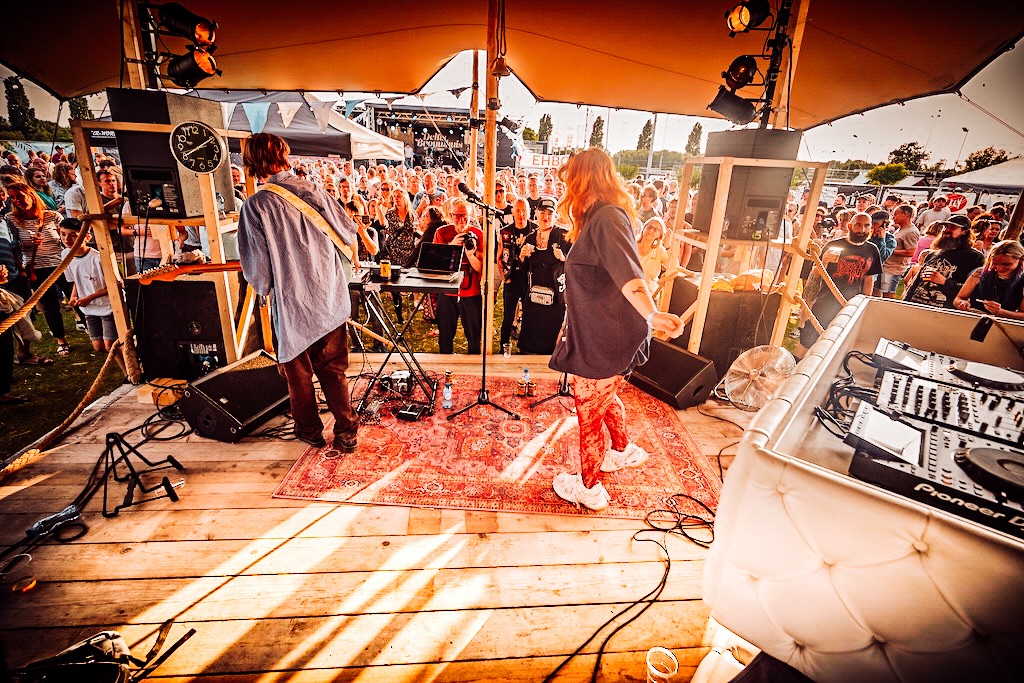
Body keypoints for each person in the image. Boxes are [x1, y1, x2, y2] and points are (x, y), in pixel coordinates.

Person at [548, 149, 685, 511]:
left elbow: (630, 277)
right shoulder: (601, 217)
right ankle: (623, 451)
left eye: (568, 179)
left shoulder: (608, 218)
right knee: (604, 400)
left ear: (583, 179)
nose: (565, 188)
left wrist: (653, 316)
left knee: (588, 412)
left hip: (607, 338)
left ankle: (589, 488)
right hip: (601, 332)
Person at [236, 132, 360, 453]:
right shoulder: (314, 189)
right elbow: (348, 232)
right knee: (333, 369)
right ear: (283, 154)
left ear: (252, 162)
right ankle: (346, 431)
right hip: (329, 294)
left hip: (293, 302)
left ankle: (310, 431)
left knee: (298, 375)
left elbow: (260, 272)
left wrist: (264, 288)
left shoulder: (255, 206)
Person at [3, 175, 72, 356]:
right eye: (13, 198)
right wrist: (25, 245)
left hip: (61, 265)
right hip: (37, 268)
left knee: (76, 299)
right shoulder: (11, 219)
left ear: (31, 195)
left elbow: (66, 238)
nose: (17, 201)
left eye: (19, 196)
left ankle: (94, 332)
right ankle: (61, 341)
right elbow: (12, 246)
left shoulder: (52, 216)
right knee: (50, 306)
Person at [796, 212, 881, 357]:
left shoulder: (872, 250)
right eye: (858, 225)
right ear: (850, 226)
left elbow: (869, 280)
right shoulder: (833, 245)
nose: (862, 230)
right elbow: (815, 274)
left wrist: (864, 304)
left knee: (837, 345)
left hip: (851, 306)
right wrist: (824, 261)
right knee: (808, 340)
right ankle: (796, 365)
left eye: (866, 226)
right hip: (825, 302)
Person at [518, 196, 570, 354]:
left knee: (552, 340)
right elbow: (523, 270)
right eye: (542, 213)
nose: (546, 217)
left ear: (555, 216)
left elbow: (578, 264)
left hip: (555, 299)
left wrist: (564, 258)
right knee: (531, 339)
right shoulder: (530, 238)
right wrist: (522, 257)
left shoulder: (564, 237)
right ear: (536, 214)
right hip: (534, 298)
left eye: (549, 213)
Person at [58, 219, 118, 353]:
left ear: (87, 236)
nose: (67, 239)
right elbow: (76, 280)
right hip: (89, 308)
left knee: (111, 346)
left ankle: (127, 359)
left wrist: (89, 297)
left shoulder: (98, 258)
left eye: (73, 235)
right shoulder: (65, 254)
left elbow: (115, 285)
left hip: (108, 306)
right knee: (98, 347)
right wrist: (74, 296)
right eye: (63, 234)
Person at [432, 199, 484, 354]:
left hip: (471, 290)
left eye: (465, 216)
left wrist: (470, 254)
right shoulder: (442, 232)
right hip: (447, 290)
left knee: (474, 336)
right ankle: (445, 364)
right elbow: (436, 264)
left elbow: (480, 268)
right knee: (445, 335)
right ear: (450, 216)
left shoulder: (478, 234)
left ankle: (473, 366)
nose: (461, 220)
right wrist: (451, 246)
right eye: (457, 216)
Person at [904, 216, 984, 309]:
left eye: (952, 227)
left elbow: (973, 292)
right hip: (916, 307)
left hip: (943, 311)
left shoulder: (974, 257)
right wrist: (905, 303)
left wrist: (944, 281)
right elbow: (916, 283)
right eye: (945, 227)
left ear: (964, 231)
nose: (947, 230)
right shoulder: (932, 254)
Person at [498, 198, 535, 352]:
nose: (521, 214)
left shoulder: (535, 230)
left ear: (529, 212)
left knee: (529, 317)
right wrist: (504, 277)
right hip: (512, 278)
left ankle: (525, 348)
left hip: (529, 279)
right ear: (512, 212)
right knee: (508, 317)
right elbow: (499, 257)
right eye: (518, 211)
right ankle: (503, 348)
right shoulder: (505, 231)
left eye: (524, 211)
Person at [953, 241, 1024, 320]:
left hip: (1002, 324)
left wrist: (1001, 312)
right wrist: (962, 303)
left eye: (1006, 264)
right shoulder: (979, 273)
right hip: (972, 319)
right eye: (995, 264)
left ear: (1021, 259)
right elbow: (958, 298)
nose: (999, 268)